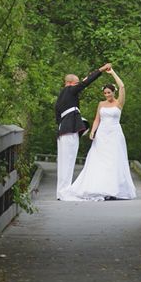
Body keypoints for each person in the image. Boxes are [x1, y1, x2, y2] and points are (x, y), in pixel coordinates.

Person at [60, 64, 136, 201]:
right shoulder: (101, 104)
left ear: (114, 92)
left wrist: (112, 73)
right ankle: (100, 187)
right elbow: (97, 119)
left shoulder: (119, 103)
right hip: (101, 134)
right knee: (99, 161)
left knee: (114, 160)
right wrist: (93, 131)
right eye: (105, 93)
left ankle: (114, 189)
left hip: (114, 134)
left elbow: (123, 86)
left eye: (109, 92)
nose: (107, 95)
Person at [54, 64, 109, 199]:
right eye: (76, 83)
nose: (78, 86)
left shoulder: (62, 96)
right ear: (70, 83)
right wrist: (101, 69)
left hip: (62, 129)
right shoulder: (70, 90)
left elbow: (57, 117)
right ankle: (65, 191)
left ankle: (61, 191)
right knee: (68, 161)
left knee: (63, 162)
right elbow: (86, 81)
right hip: (70, 129)